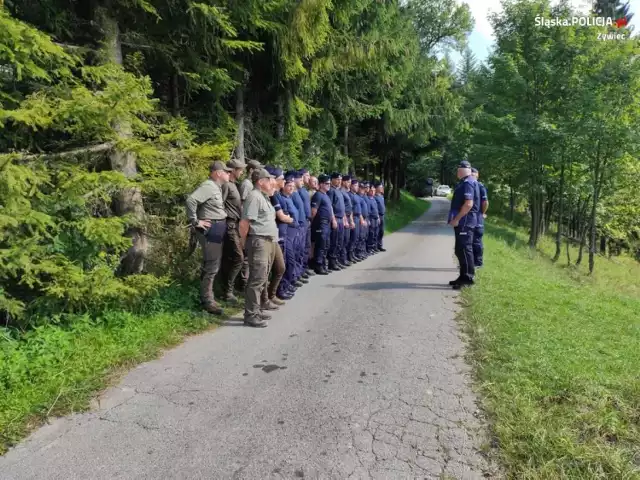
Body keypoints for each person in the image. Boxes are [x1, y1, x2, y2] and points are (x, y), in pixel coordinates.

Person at [185, 161, 231, 315]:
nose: (228, 174)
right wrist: (195, 221)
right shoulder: (208, 186)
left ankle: (208, 296)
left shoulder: (216, 187)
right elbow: (191, 200)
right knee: (212, 266)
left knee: (213, 264)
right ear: (218, 173)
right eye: (226, 171)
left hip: (217, 229)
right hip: (210, 230)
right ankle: (208, 301)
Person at [239, 168, 277, 327]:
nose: (271, 183)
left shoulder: (263, 196)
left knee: (262, 278)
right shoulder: (254, 197)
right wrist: (243, 243)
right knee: (256, 279)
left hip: (266, 241)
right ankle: (251, 315)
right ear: (261, 182)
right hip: (258, 241)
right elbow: (244, 223)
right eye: (269, 180)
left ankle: (257, 310)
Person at [448, 160, 481, 289]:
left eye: (458, 170)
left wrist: (457, 218)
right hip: (464, 221)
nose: (457, 172)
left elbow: (468, 204)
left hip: (465, 221)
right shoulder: (467, 182)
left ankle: (468, 277)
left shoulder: (468, 183)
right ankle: (462, 276)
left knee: (465, 249)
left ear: (462, 170)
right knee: (459, 250)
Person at [219, 158, 246, 303]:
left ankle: (231, 288)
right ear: (233, 170)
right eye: (240, 169)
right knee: (238, 258)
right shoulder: (227, 186)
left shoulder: (235, 185)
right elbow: (220, 205)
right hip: (229, 224)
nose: (242, 172)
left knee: (232, 258)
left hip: (236, 224)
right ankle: (228, 291)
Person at [269, 168, 295, 302]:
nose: (284, 181)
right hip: (279, 233)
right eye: (282, 179)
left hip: (284, 232)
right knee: (281, 264)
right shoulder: (274, 196)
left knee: (286, 262)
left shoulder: (276, 194)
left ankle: (281, 288)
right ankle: (278, 290)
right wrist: (289, 219)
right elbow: (281, 216)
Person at [237, 159, 263, 291]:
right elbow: (243, 204)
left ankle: (248, 282)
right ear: (251, 170)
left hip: (253, 220)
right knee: (246, 256)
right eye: (258, 169)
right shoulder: (247, 184)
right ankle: (244, 283)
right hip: (247, 221)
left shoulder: (250, 184)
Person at [278, 173, 303, 300]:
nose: (291, 188)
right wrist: (290, 219)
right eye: (289, 185)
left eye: (293, 186)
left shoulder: (290, 198)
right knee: (288, 260)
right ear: (284, 186)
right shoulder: (281, 198)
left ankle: (287, 285)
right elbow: (284, 217)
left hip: (294, 232)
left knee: (292, 259)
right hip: (287, 233)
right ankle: (281, 287)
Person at [310, 174, 334, 274]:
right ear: (321, 184)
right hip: (321, 224)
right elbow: (313, 211)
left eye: (329, 183)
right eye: (326, 183)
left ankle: (323, 264)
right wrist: (312, 223)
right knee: (321, 245)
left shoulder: (326, 195)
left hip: (327, 224)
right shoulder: (318, 195)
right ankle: (318, 265)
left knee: (326, 245)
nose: (329, 185)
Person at [289, 171, 309, 284]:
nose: (302, 181)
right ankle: (294, 276)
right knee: (295, 252)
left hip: (302, 224)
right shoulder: (292, 193)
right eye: (300, 179)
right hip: (296, 226)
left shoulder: (298, 192)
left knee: (301, 250)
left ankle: (299, 272)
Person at [327, 172, 346, 270]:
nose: (339, 181)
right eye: (337, 179)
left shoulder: (338, 191)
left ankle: (337, 260)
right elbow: (330, 206)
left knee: (340, 241)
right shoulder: (331, 191)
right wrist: (333, 219)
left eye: (340, 179)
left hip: (340, 218)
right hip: (335, 219)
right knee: (334, 241)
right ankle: (332, 262)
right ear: (332, 179)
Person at [298, 168, 315, 277]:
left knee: (306, 246)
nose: (309, 178)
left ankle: (305, 267)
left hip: (307, 221)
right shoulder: (298, 190)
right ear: (302, 176)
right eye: (307, 176)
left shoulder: (304, 190)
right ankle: (300, 270)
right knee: (301, 247)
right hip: (302, 221)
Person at [471, 167, 488, 268]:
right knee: (469, 241)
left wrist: (482, 212)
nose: (472, 176)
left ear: (477, 175)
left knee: (477, 240)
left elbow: (485, 202)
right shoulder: (467, 185)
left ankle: (478, 262)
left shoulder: (480, 186)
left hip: (477, 218)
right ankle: (470, 262)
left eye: (474, 174)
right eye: (471, 174)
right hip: (468, 218)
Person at [348, 178, 364, 262]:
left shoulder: (357, 196)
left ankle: (354, 253)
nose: (357, 187)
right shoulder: (349, 195)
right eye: (355, 185)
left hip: (358, 217)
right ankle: (350, 255)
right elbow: (350, 209)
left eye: (357, 185)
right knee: (353, 237)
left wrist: (361, 219)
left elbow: (359, 209)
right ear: (351, 186)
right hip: (353, 217)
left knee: (357, 237)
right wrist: (351, 220)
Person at [339, 174, 354, 267]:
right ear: (343, 182)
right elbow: (342, 208)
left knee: (346, 239)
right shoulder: (340, 191)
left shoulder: (346, 192)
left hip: (348, 217)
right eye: (348, 182)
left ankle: (344, 258)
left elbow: (349, 208)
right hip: (343, 218)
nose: (349, 184)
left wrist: (351, 220)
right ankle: (341, 259)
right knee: (342, 239)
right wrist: (345, 220)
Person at [366, 182, 380, 254]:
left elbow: (376, 209)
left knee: (375, 233)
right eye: (371, 190)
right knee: (371, 234)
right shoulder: (368, 199)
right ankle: (369, 248)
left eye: (374, 190)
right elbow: (368, 211)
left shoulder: (373, 199)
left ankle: (374, 247)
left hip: (375, 218)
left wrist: (378, 217)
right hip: (371, 218)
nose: (373, 192)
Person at [358, 181, 370, 259]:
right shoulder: (359, 197)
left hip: (365, 218)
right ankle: (359, 252)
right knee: (360, 236)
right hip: (360, 219)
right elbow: (358, 210)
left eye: (363, 188)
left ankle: (363, 251)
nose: (363, 189)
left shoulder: (364, 196)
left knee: (364, 236)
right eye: (361, 188)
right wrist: (362, 219)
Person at [373, 180, 386, 252]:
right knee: (377, 231)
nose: (381, 188)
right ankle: (375, 246)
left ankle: (380, 245)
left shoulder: (381, 196)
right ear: (377, 188)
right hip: (378, 216)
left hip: (382, 215)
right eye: (380, 187)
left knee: (381, 231)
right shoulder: (375, 196)